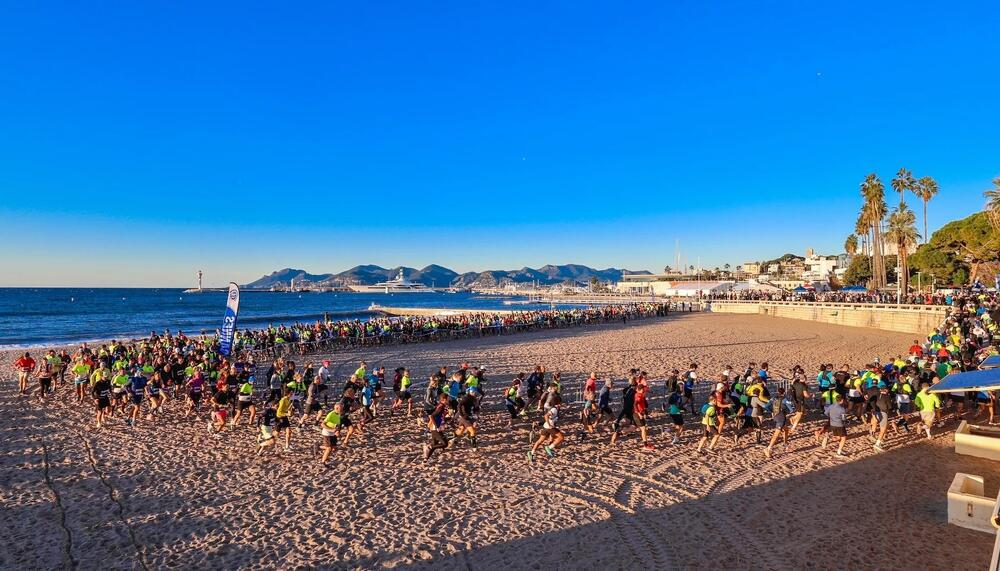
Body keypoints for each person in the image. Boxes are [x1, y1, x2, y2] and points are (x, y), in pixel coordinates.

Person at [528, 392, 563, 462]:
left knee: (540, 441)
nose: (561, 404)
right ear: (558, 402)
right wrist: (549, 425)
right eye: (560, 403)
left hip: (545, 427)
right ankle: (549, 448)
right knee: (561, 437)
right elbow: (546, 416)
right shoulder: (554, 409)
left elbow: (549, 417)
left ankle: (531, 453)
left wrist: (541, 423)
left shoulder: (553, 408)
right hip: (550, 428)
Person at [765, 387, 794, 459]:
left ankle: (786, 445)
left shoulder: (773, 398)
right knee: (776, 434)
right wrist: (786, 412)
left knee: (786, 430)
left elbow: (766, 407)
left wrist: (772, 411)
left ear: (777, 391)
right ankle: (768, 448)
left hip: (775, 415)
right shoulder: (785, 399)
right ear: (784, 392)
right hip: (781, 417)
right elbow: (791, 410)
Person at [423, 393, 451, 461]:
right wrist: (437, 426)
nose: (449, 400)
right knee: (445, 444)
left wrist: (449, 418)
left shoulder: (443, 406)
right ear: (444, 400)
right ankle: (428, 447)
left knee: (435, 444)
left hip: (436, 428)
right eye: (448, 399)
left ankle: (425, 460)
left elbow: (440, 417)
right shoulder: (441, 406)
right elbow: (432, 416)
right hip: (435, 428)